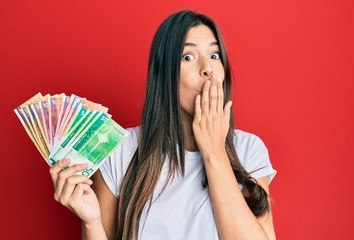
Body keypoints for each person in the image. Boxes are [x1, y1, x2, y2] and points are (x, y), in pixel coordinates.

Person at [49, 10, 277, 240]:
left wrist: (214, 152)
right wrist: (92, 222)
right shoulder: (119, 151)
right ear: (164, 74)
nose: (207, 68)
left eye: (215, 55)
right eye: (188, 56)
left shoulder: (249, 150)